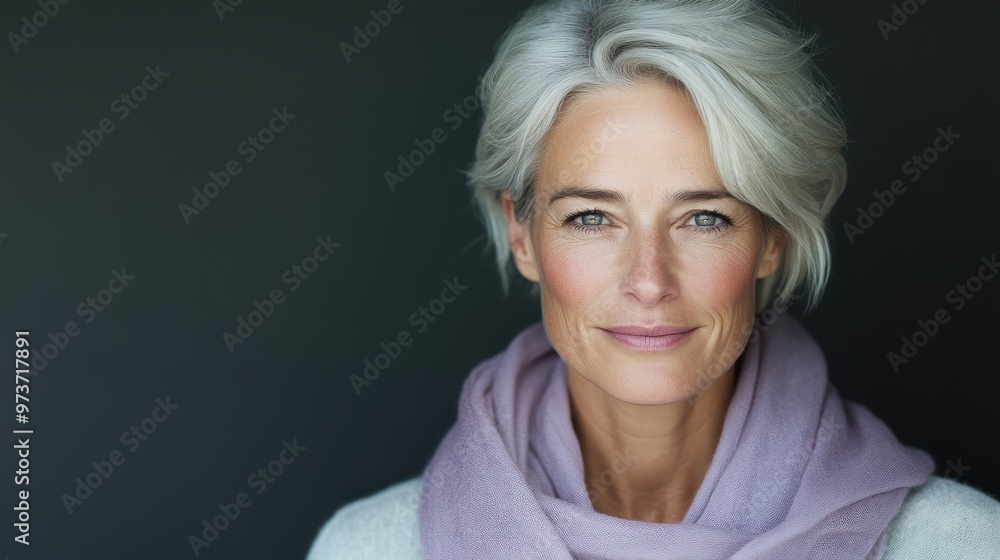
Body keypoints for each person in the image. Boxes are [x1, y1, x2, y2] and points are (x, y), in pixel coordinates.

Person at [307, 0, 1000, 557]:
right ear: (521, 233)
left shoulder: (954, 544)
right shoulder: (375, 548)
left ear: (772, 238)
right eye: (590, 218)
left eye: (702, 218)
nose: (648, 281)